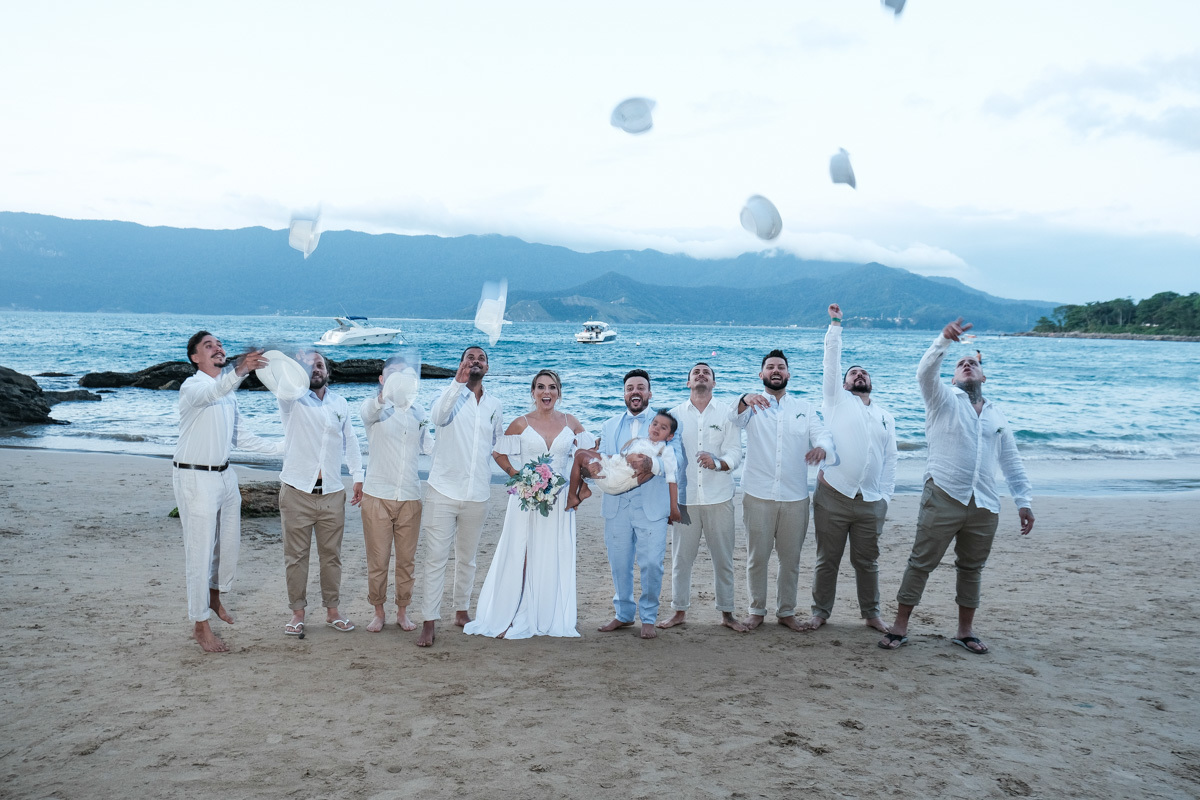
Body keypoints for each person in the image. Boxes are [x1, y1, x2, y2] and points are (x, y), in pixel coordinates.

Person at [879, 317, 1035, 654]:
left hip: (984, 505)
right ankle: (900, 625)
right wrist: (943, 342)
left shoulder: (996, 414)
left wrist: (1023, 501)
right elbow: (924, 373)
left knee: (971, 568)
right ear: (952, 377)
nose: (967, 366)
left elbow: (1010, 460)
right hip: (944, 495)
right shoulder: (943, 399)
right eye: (962, 364)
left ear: (983, 375)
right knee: (921, 563)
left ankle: (965, 631)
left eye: (973, 364)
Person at [173, 332, 281, 652]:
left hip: (225, 476)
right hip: (195, 478)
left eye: (219, 344)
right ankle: (200, 624)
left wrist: (290, 447)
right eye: (209, 346)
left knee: (227, 546)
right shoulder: (192, 387)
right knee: (200, 552)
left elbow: (244, 439)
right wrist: (239, 371)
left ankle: (215, 597)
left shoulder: (228, 393)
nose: (218, 348)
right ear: (195, 358)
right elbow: (212, 392)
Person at [464, 369, 589, 639]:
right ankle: (510, 614)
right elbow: (498, 452)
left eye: (552, 387)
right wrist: (519, 477)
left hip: (558, 502)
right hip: (527, 499)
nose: (547, 392)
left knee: (553, 553)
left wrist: (579, 488)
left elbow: (587, 455)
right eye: (541, 387)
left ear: (559, 392)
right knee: (521, 551)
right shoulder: (521, 423)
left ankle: (548, 614)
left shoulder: (571, 422)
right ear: (532, 393)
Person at [805, 304, 897, 633]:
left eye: (863, 373)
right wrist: (835, 325)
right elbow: (831, 361)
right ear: (843, 385)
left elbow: (891, 458)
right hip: (833, 495)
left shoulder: (886, 416)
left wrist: (885, 496)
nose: (859, 375)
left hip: (871, 500)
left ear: (870, 382)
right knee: (827, 559)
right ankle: (820, 612)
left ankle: (872, 614)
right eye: (853, 374)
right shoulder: (836, 401)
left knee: (867, 561)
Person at [733, 349, 833, 631]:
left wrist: (822, 447)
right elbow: (733, 418)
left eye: (780, 367)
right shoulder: (751, 406)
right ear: (761, 374)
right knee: (757, 558)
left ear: (788, 374)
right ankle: (756, 610)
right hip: (757, 494)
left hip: (795, 497)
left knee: (790, 559)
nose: (775, 371)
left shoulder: (805, 407)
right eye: (770, 367)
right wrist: (743, 399)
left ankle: (786, 611)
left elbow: (822, 434)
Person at [417, 346, 503, 647]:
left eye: (481, 359)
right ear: (461, 364)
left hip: (478, 492)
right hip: (442, 490)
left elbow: (496, 444)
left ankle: (461, 611)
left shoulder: (494, 404)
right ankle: (429, 621)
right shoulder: (445, 395)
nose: (475, 362)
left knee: (467, 559)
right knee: (435, 559)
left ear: (487, 368)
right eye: (470, 358)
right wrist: (457, 382)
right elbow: (438, 418)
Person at [278, 351, 364, 636]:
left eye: (319, 365)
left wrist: (358, 477)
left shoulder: (340, 403)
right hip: (296, 491)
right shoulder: (292, 399)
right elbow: (281, 382)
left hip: (331, 493)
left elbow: (350, 441)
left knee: (331, 556)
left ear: (328, 371)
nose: (315, 369)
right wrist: (293, 365)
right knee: (296, 557)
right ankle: (297, 614)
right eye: (309, 365)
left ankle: (333, 611)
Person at [659, 362, 746, 632]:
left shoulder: (727, 414)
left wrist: (718, 462)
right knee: (681, 559)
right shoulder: (673, 415)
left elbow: (735, 451)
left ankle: (727, 614)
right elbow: (661, 453)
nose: (701, 375)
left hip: (719, 497)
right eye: (696, 372)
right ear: (688, 383)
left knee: (724, 559)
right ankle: (679, 610)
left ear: (714, 383)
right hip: (685, 500)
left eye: (706, 373)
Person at [597, 370, 679, 640]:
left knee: (652, 563)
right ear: (624, 393)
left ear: (649, 393)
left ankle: (649, 616)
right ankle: (623, 614)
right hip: (617, 505)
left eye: (641, 387)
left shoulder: (663, 423)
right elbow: (606, 462)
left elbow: (675, 461)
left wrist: (650, 465)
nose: (635, 391)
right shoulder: (609, 425)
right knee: (619, 563)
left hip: (652, 508)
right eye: (630, 387)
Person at [358, 357, 433, 633]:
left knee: (406, 561)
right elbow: (367, 412)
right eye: (392, 374)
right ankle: (378, 612)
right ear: (382, 379)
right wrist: (385, 394)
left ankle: (403, 611)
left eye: (404, 374)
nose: (399, 378)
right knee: (377, 560)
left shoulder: (419, 411)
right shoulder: (374, 409)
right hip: (377, 495)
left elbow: (429, 447)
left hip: (410, 496)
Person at [566, 409, 679, 508]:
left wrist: (673, 507)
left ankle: (572, 496)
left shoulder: (664, 449)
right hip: (615, 466)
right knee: (580, 452)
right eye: (655, 424)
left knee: (581, 456)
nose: (657, 428)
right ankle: (584, 489)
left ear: (670, 436)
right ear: (649, 426)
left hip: (618, 479)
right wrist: (599, 457)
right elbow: (622, 458)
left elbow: (672, 475)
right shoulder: (641, 440)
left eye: (663, 428)